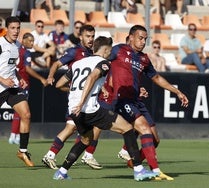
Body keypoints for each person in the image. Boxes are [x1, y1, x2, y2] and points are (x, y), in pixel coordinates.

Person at [53, 36, 158, 181]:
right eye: (110, 50)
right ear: (106, 50)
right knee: (127, 128)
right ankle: (139, 170)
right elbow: (91, 77)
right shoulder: (103, 63)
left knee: (86, 139)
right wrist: (82, 101)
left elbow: (59, 84)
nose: (111, 53)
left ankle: (62, 172)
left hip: (74, 110)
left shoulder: (78, 63)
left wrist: (75, 95)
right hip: (89, 109)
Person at [100, 25, 189, 180]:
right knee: (144, 129)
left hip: (136, 100)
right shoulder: (118, 50)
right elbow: (100, 64)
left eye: (145, 39)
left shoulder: (144, 59)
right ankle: (154, 171)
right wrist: (102, 86)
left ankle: (134, 162)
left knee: (155, 140)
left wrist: (177, 92)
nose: (143, 42)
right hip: (122, 99)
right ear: (131, 37)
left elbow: (156, 78)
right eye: (140, 38)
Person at [43, 24, 103, 170]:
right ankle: (54, 155)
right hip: (77, 99)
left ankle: (75, 155)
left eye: (92, 36)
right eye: (88, 36)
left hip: (88, 98)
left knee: (84, 128)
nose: (90, 39)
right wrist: (50, 76)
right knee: (74, 127)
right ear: (80, 37)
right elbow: (57, 64)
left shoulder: (92, 53)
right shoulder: (74, 52)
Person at [0, 16, 34, 167]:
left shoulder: (18, 45)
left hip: (12, 87)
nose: (15, 31)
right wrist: (2, 80)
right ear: (6, 28)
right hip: (1, 85)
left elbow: (13, 67)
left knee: (26, 114)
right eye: (12, 28)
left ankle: (23, 151)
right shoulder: (0, 43)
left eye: (18, 28)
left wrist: (20, 78)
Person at [8, 32, 48, 145]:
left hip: (13, 81)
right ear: (24, 40)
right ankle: (14, 135)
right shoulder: (26, 53)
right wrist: (41, 78)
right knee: (21, 112)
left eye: (33, 41)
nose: (32, 43)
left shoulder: (16, 50)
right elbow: (28, 69)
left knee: (18, 111)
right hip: (22, 83)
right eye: (30, 41)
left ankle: (14, 135)